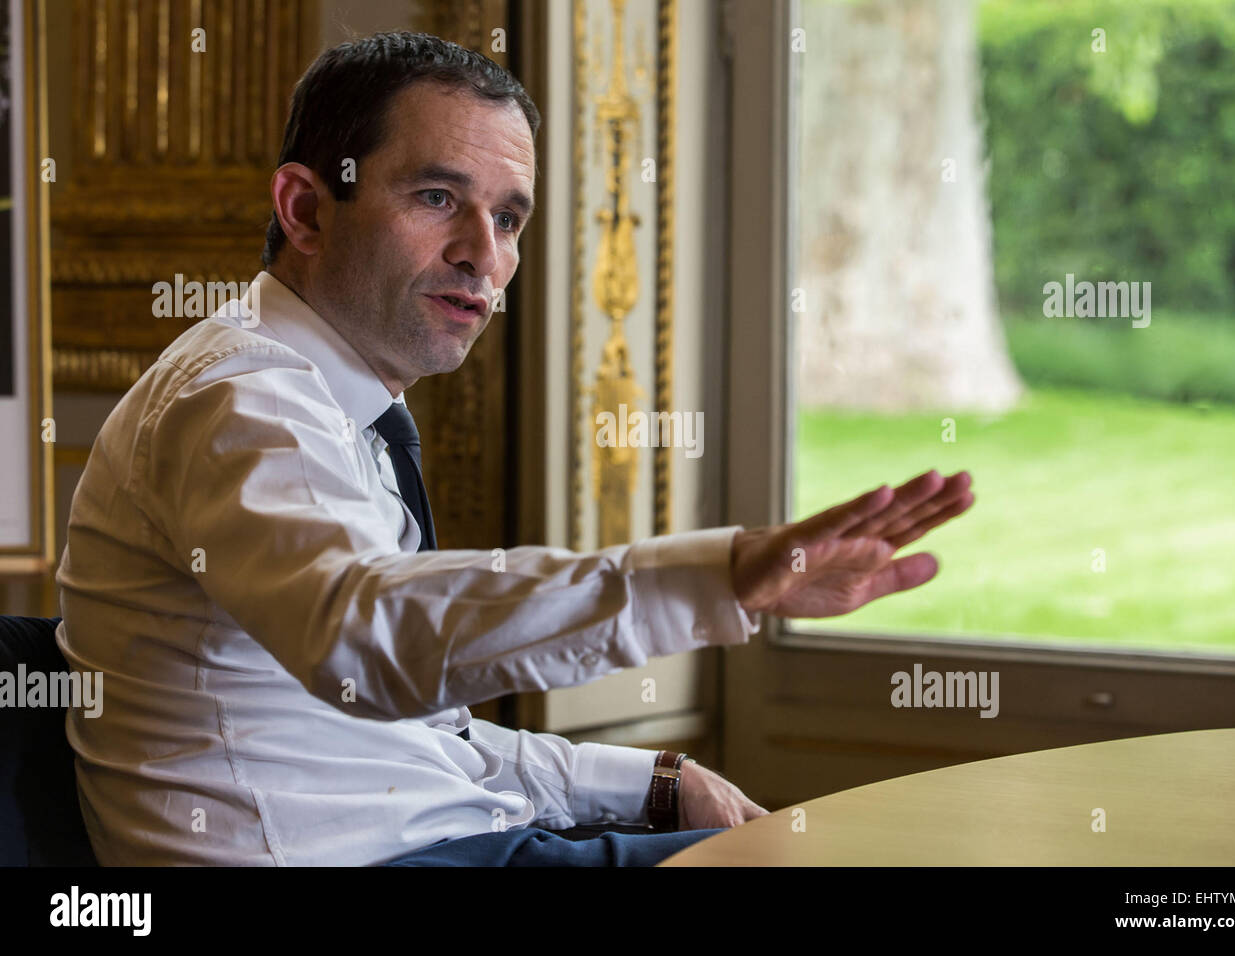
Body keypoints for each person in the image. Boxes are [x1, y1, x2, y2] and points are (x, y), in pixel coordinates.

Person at [55, 31, 974, 867]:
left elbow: (410, 739)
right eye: (436, 197)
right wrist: (718, 577)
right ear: (305, 210)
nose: (482, 256)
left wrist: (645, 782)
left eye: (508, 219)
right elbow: (364, 642)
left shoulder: (336, 404)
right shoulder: (239, 401)